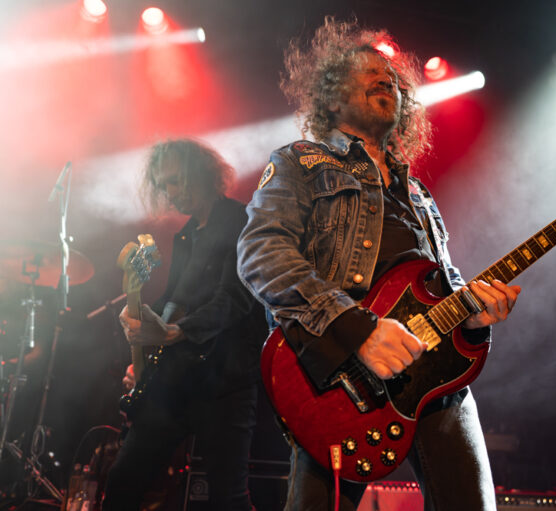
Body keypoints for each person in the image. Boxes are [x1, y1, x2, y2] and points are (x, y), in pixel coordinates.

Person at [237, 17, 521, 511]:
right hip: (340, 376)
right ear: (331, 98)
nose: (385, 79)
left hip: (436, 379)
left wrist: (474, 318)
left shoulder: (419, 194)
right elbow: (261, 253)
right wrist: (359, 331)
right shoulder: (300, 163)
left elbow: (442, 285)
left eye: (391, 78)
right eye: (368, 72)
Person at [102, 138, 268, 510]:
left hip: (224, 383)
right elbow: (173, 302)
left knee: (228, 498)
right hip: (173, 380)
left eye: (176, 180)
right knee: (122, 481)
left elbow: (235, 298)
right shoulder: (186, 233)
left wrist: (175, 332)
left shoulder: (242, 221)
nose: (170, 193)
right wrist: (142, 321)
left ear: (203, 174)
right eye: (163, 185)